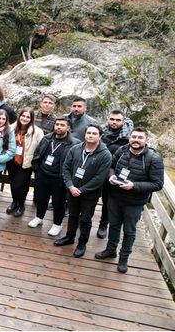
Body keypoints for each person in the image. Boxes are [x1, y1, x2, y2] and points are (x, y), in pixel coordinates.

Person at [95, 128, 164, 273]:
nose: (136, 140)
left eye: (140, 137)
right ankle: (110, 250)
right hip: (115, 197)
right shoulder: (122, 150)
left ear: (146, 140)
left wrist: (134, 185)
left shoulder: (154, 158)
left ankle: (123, 258)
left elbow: (157, 184)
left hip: (134, 201)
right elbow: (111, 167)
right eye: (133, 136)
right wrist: (111, 176)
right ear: (129, 137)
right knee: (113, 226)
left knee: (129, 231)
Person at [55, 125, 112, 258]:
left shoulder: (105, 155)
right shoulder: (75, 149)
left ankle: (82, 243)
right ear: (85, 134)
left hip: (90, 194)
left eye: (94, 133)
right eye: (88, 133)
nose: (90, 135)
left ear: (100, 136)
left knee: (85, 219)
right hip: (72, 190)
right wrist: (70, 186)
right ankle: (69, 237)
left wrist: (81, 190)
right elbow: (66, 168)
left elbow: (100, 178)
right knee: (72, 215)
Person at [28, 117, 80, 236]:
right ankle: (39, 217)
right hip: (43, 174)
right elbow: (38, 152)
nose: (59, 127)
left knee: (58, 202)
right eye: (57, 124)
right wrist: (36, 168)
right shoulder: (47, 138)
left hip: (59, 178)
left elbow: (74, 163)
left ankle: (57, 224)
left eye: (62, 125)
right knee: (41, 199)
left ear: (68, 128)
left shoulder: (74, 143)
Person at [96, 110, 134, 239]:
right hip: (95, 171)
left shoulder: (127, 138)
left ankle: (103, 225)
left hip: (112, 174)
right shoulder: (100, 133)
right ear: (108, 119)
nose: (114, 122)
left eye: (118, 120)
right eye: (112, 119)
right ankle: (83, 219)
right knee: (88, 196)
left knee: (107, 201)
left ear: (123, 122)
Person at [6, 107, 43, 217]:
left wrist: (35, 162)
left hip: (26, 163)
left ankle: (21, 205)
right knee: (13, 184)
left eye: (28, 117)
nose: (25, 118)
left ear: (31, 119)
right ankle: (14, 202)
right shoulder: (11, 128)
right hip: (12, 161)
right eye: (23, 116)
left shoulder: (37, 132)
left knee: (18, 185)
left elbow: (41, 148)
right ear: (19, 116)